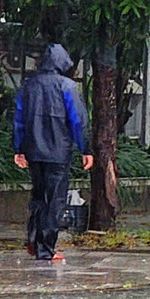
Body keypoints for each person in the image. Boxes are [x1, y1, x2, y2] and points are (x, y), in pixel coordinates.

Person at [12, 44, 92, 262]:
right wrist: (86, 149)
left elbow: (19, 119)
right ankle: (46, 249)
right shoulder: (67, 86)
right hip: (58, 153)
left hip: (34, 151)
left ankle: (33, 238)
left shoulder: (28, 86)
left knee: (38, 197)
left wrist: (19, 149)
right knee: (54, 200)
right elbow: (78, 121)